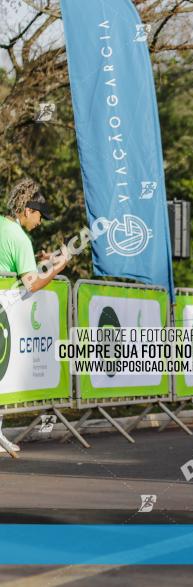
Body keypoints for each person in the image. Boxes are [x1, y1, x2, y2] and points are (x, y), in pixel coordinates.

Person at [0, 179, 67, 453]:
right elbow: (32, 284)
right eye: (39, 215)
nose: (40, 222)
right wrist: (59, 266)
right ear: (27, 210)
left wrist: (43, 262)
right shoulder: (19, 238)